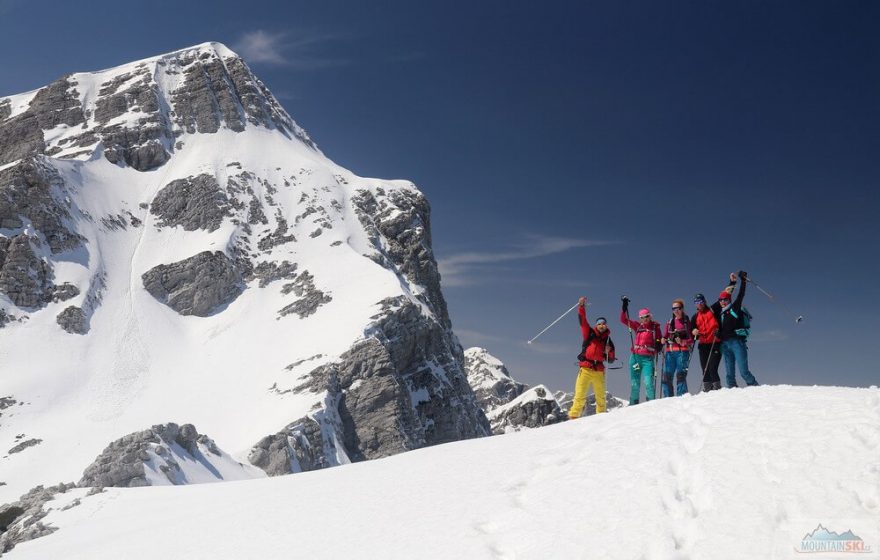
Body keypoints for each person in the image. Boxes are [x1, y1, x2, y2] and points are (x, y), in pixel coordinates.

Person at [569, 296, 616, 419]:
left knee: (600, 397)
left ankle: (601, 418)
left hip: (599, 370)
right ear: (597, 325)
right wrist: (581, 306)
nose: (601, 325)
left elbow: (611, 359)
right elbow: (583, 321)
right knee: (579, 395)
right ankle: (573, 417)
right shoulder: (589, 333)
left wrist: (608, 352)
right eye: (599, 324)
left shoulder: (608, 341)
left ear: (606, 326)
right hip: (585, 367)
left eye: (603, 324)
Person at [712, 271, 759, 388]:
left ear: (729, 300)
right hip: (725, 345)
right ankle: (733, 393)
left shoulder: (734, 309)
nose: (722, 302)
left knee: (744, 372)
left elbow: (741, 295)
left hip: (737, 343)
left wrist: (743, 280)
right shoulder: (720, 313)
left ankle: (755, 388)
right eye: (720, 300)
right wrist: (718, 334)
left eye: (725, 299)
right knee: (729, 374)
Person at [620, 298, 662, 404]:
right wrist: (624, 308)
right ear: (640, 319)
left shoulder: (655, 327)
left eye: (647, 316)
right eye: (642, 317)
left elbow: (660, 339)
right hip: (635, 358)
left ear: (650, 316)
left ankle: (651, 404)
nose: (645, 319)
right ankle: (633, 404)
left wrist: (659, 345)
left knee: (648, 382)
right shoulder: (637, 326)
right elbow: (623, 320)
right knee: (635, 383)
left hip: (648, 359)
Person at [660, 299, 694, 397]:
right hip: (670, 353)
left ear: (682, 309)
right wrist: (663, 339)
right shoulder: (669, 322)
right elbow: (665, 335)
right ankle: (668, 399)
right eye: (673, 309)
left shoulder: (686, 322)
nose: (676, 311)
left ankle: (681, 399)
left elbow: (691, 339)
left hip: (682, 353)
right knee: (666, 377)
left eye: (678, 308)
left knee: (681, 376)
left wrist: (684, 342)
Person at [691, 293, 723, 392]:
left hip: (715, 343)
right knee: (705, 370)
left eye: (701, 301)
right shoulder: (695, 316)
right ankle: (707, 389)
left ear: (704, 301)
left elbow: (724, 297)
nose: (699, 304)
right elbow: (692, 331)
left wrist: (732, 282)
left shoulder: (713, 310)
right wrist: (694, 331)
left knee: (713, 368)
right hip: (703, 346)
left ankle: (717, 388)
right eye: (696, 302)